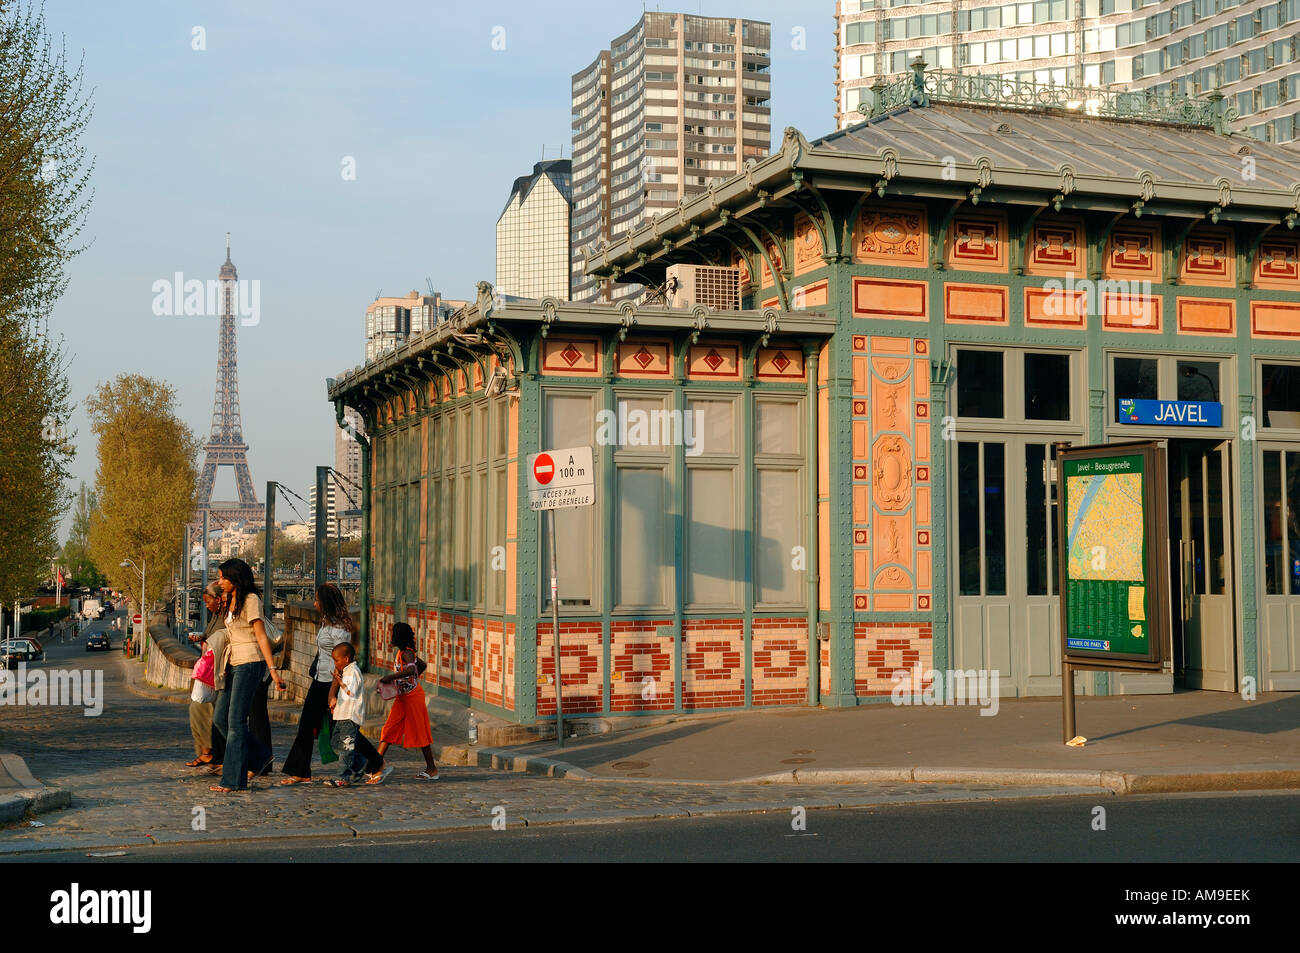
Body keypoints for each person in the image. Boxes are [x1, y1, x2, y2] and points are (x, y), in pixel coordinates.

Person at [281, 584, 386, 784]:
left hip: (332, 683)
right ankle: (301, 770)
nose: (314, 603)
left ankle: (374, 762)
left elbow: (341, 662)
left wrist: (332, 693)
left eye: (317, 600)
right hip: (319, 679)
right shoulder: (326, 623)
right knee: (306, 725)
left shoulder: (339, 628)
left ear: (325, 602)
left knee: (342, 728)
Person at [209, 558, 286, 794]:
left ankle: (233, 780)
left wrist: (272, 670)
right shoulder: (231, 598)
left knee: (235, 722)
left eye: (223, 577)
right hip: (233, 663)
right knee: (220, 718)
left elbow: (261, 636)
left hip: (251, 663)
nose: (219, 581)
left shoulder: (251, 600)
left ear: (236, 578)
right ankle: (260, 754)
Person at [374, 622, 438, 780]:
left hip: (413, 698)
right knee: (389, 729)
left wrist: (391, 677)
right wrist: (406, 681)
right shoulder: (403, 652)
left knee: (420, 732)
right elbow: (421, 665)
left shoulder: (406, 653)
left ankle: (432, 769)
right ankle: (375, 765)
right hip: (402, 698)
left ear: (398, 637)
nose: (391, 637)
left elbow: (411, 669)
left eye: (393, 634)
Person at [186, 582, 229, 768]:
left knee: (200, 709)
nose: (206, 605)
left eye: (208, 601)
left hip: (219, 671)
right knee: (200, 708)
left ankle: (209, 753)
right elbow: (212, 637)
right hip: (209, 670)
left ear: (218, 599)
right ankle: (206, 752)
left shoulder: (226, 618)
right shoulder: (216, 616)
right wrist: (201, 638)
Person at [324, 642, 367, 787]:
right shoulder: (346, 671)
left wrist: (339, 681)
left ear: (346, 659)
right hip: (341, 715)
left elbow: (351, 691)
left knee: (346, 747)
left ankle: (342, 777)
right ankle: (360, 764)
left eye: (337, 660)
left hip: (350, 715)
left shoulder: (353, 672)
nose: (335, 664)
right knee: (336, 743)